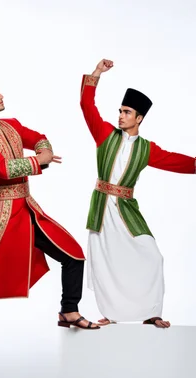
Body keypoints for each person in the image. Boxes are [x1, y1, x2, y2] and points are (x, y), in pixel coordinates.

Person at [0, 68, 99, 332]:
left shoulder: (11, 125)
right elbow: (3, 168)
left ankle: (69, 311)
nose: (0, 95)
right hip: (2, 215)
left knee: (74, 255)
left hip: (28, 210)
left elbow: (38, 138)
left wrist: (43, 151)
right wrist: (40, 161)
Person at [80, 59, 196, 328]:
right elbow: (87, 107)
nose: (120, 116)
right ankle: (110, 313)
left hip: (127, 210)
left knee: (152, 255)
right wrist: (96, 74)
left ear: (139, 118)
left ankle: (152, 312)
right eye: (120, 110)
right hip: (102, 208)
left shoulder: (146, 148)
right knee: (106, 260)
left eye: (127, 112)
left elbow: (176, 161)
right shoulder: (105, 135)